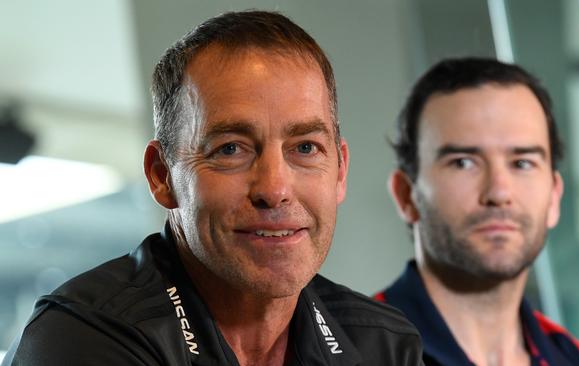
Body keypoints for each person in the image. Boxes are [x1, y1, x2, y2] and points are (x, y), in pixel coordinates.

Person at [3, 11, 423, 366]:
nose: (275, 188)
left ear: (340, 171)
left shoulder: (382, 345)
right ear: (161, 176)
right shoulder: (84, 338)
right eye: (231, 149)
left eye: (305, 147)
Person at [375, 57, 579, 366]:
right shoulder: (339, 354)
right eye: (463, 162)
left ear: (554, 198)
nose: (499, 192)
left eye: (522, 163)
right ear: (407, 196)